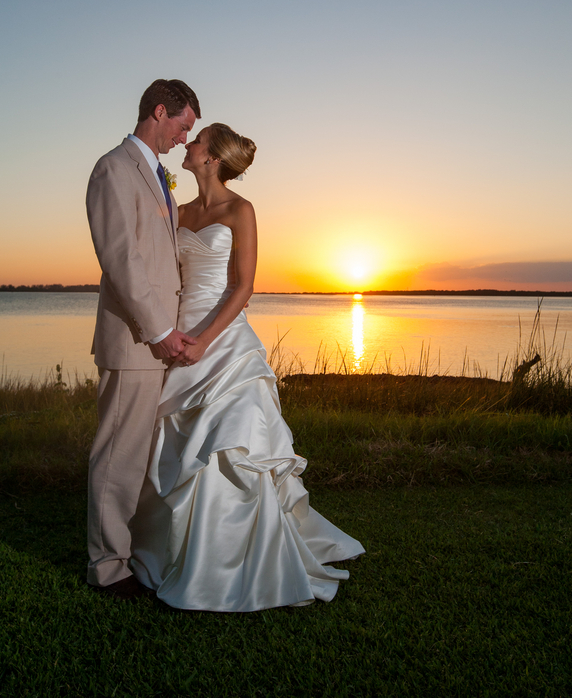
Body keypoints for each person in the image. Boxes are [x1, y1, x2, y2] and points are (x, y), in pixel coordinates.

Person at [130, 123, 365, 611]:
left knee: (233, 444)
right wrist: (169, 335)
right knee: (178, 445)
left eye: (196, 142)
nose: (187, 145)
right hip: (177, 337)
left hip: (220, 339)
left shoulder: (241, 210)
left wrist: (202, 343)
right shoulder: (179, 210)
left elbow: (243, 287)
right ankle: (176, 550)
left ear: (212, 158)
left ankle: (238, 558)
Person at [86, 78, 201, 599]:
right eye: (182, 126)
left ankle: (128, 550)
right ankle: (108, 568)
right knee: (118, 455)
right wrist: (158, 330)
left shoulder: (155, 176)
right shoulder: (114, 169)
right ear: (160, 111)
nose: (183, 139)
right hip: (135, 340)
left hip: (160, 341)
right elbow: (121, 259)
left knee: (141, 455)